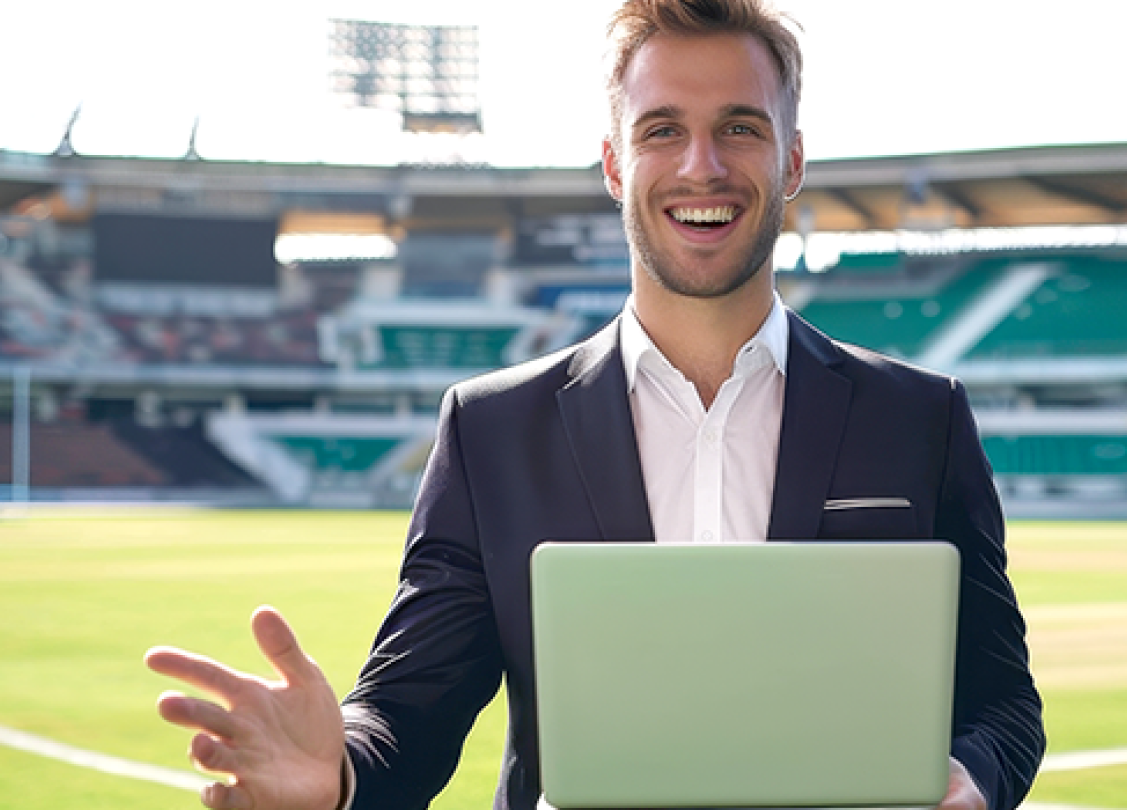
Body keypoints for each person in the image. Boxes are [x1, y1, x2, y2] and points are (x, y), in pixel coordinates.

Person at [145, 1, 1046, 809]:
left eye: (739, 127)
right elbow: (410, 711)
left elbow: (1003, 702)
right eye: (662, 131)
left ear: (793, 158)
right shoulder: (492, 430)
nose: (702, 166)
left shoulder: (919, 419)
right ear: (615, 164)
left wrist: (972, 780)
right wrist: (335, 775)